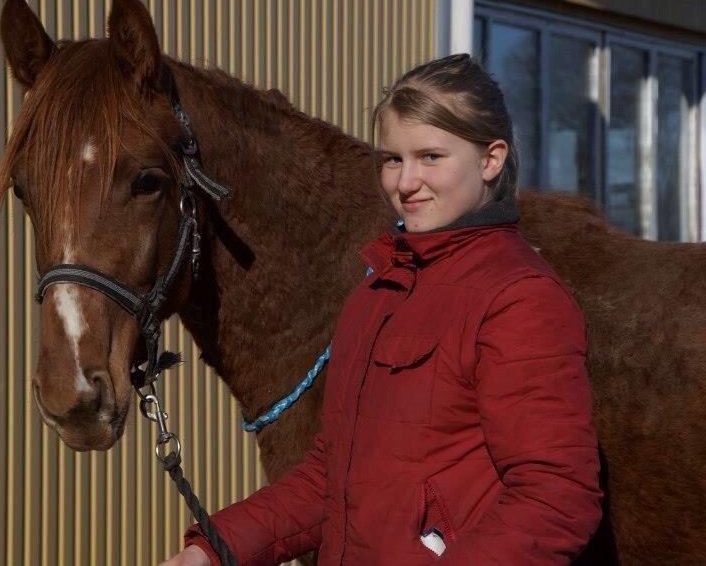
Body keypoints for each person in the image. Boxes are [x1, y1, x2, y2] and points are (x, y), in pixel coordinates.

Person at [161, 53, 603, 565]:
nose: (405, 182)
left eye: (431, 157)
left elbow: (556, 497)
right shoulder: (374, 297)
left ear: (491, 159)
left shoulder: (519, 298)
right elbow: (329, 479)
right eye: (393, 159)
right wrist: (214, 550)